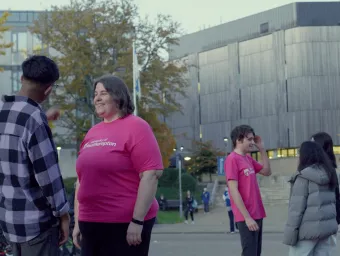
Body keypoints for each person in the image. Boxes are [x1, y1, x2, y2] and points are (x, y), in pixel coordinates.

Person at [72, 75, 163, 256]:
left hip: (124, 225)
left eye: (103, 93)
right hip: (90, 223)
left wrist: (137, 221)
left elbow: (150, 174)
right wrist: (77, 221)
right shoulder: (92, 132)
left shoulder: (137, 127)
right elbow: (81, 180)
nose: (97, 98)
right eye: (95, 94)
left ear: (118, 96)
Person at [0, 55, 70, 256]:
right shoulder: (35, 119)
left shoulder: (3, 111)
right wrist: (63, 215)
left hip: (8, 222)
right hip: (35, 226)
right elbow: (48, 178)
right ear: (48, 90)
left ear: (22, 78)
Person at [283, 141, 338, 255]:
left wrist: (290, 235)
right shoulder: (330, 174)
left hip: (307, 231)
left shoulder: (303, 177)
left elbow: (296, 210)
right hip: (326, 229)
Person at [224, 125, 271, 256]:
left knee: (255, 253)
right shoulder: (232, 159)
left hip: (257, 213)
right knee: (249, 253)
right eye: (249, 139)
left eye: (253, 139)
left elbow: (267, 172)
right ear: (238, 140)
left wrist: (262, 149)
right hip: (247, 215)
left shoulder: (248, 158)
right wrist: (247, 218)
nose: (252, 142)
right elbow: (233, 190)